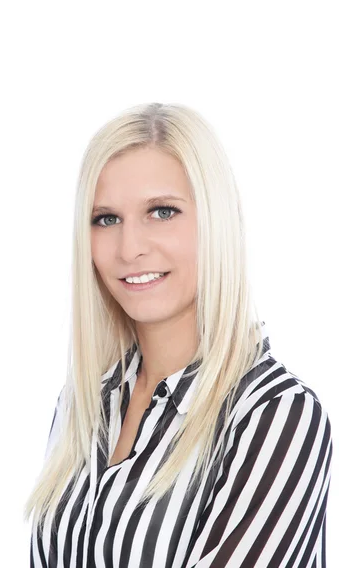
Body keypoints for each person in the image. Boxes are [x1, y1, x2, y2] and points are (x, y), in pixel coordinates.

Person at [24, 102, 333, 567]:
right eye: (106, 219)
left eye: (162, 212)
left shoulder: (277, 416)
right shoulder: (82, 405)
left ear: (215, 223)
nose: (130, 248)